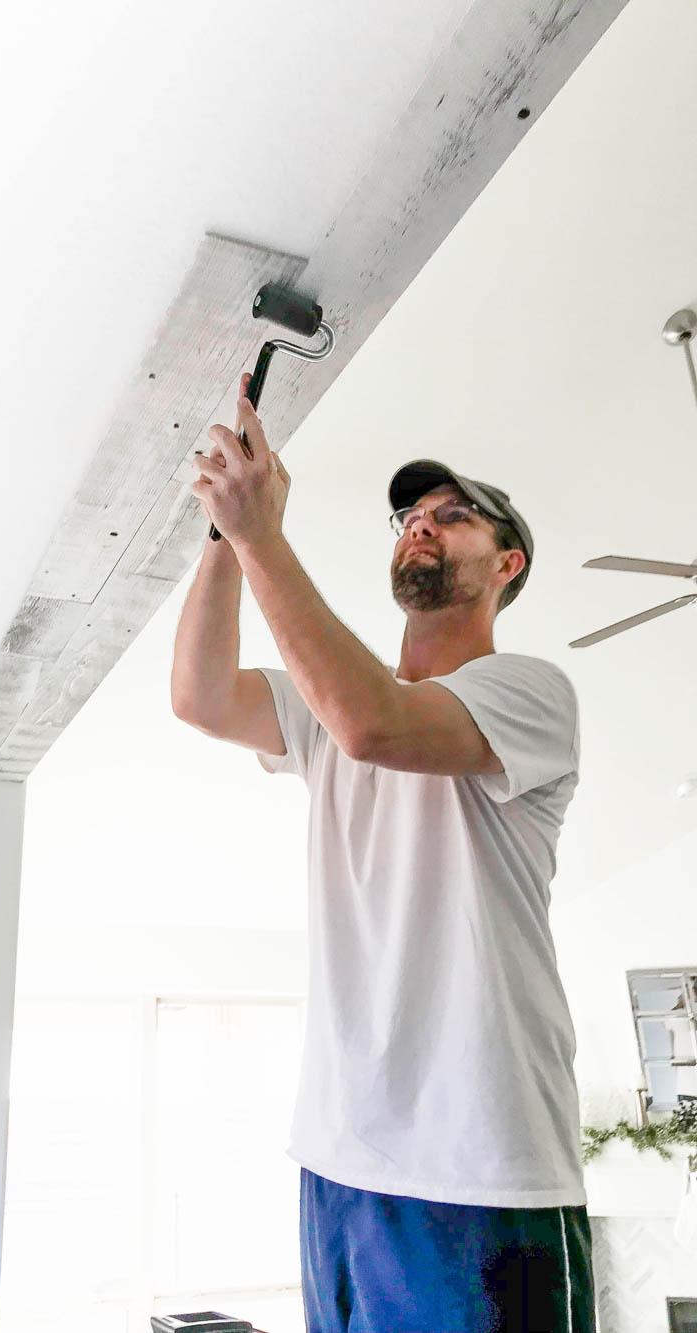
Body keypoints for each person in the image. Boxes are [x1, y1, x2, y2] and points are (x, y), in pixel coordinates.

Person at [170, 372, 596, 1332]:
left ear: (508, 564)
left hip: (485, 1175)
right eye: (411, 513)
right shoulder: (326, 713)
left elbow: (376, 723)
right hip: (339, 1161)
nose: (422, 524)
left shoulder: (530, 693)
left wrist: (262, 532)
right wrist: (225, 539)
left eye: (455, 516)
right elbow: (199, 695)